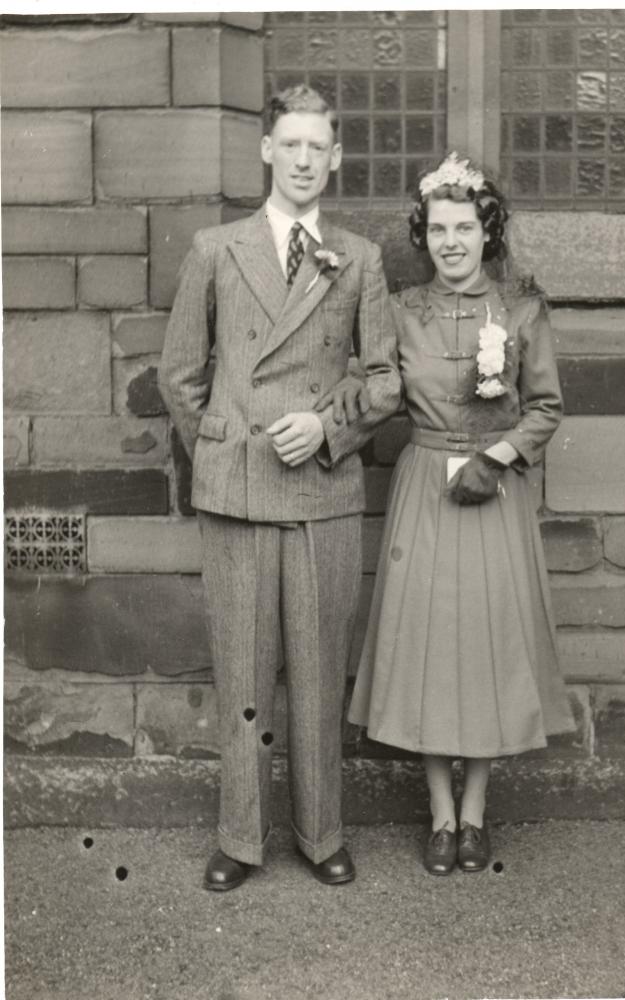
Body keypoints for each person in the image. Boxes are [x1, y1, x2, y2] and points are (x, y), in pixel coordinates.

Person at [158, 84, 401, 891]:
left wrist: (327, 431)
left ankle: (321, 831)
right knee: (242, 672)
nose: (303, 160)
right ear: (267, 150)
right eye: (289, 145)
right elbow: (180, 375)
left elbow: (385, 380)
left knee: (321, 669)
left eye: (317, 148)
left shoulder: (358, 258)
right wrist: (228, 450)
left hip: (322, 496)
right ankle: (240, 835)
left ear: (335, 157)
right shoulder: (216, 250)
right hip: (238, 495)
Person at [338, 152, 576, 875]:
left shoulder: (521, 310)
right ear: (424, 234)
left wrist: (497, 459)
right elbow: (371, 391)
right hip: (424, 490)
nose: (450, 242)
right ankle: (440, 816)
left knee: (487, 645)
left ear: (487, 232)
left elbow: (545, 409)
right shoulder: (401, 314)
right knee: (432, 649)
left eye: (464, 228)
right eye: (437, 228)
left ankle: (476, 814)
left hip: (492, 489)